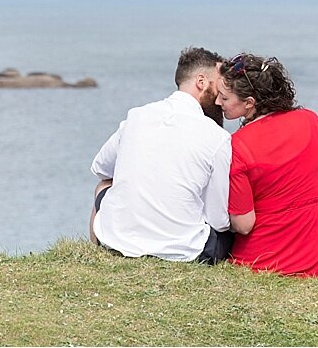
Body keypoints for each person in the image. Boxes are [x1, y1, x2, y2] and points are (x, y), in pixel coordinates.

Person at [88, 47, 234, 264]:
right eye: (219, 84)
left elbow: (100, 168)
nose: (222, 96)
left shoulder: (137, 115)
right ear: (201, 82)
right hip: (187, 252)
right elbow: (218, 220)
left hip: (116, 242)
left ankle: (100, 249)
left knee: (103, 185)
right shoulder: (217, 137)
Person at [215, 53, 318, 278]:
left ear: (249, 103)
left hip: (268, 256)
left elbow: (243, 225)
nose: (217, 102)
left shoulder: (237, 146)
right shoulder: (311, 120)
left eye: (224, 97)